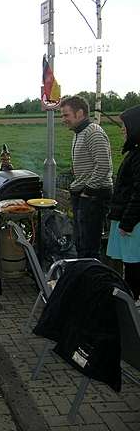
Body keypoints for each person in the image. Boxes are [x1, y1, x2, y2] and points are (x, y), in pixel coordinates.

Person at [60, 95, 113, 259]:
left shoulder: (93, 132)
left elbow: (103, 165)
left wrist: (88, 191)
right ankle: (84, 277)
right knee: (81, 242)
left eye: (66, 115)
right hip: (84, 195)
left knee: (89, 245)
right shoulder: (79, 133)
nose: (63, 119)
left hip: (93, 197)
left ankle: (91, 280)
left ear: (80, 113)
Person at [106, 105, 140, 303]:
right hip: (129, 220)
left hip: (133, 223)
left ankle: (133, 305)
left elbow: (139, 192)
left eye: (125, 126)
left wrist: (127, 222)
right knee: (131, 264)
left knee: (134, 264)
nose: (122, 130)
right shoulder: (135, 152)